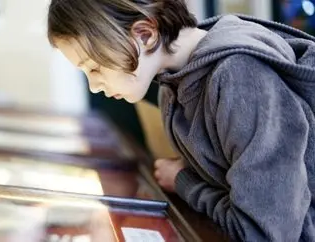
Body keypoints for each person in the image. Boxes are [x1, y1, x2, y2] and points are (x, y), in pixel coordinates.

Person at [47, 0, 315, 241]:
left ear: (145, 34)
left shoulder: (240, 76)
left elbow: (261, 232)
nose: (94, 86)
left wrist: (183, 182)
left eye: (94, 67)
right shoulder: (171, 87)